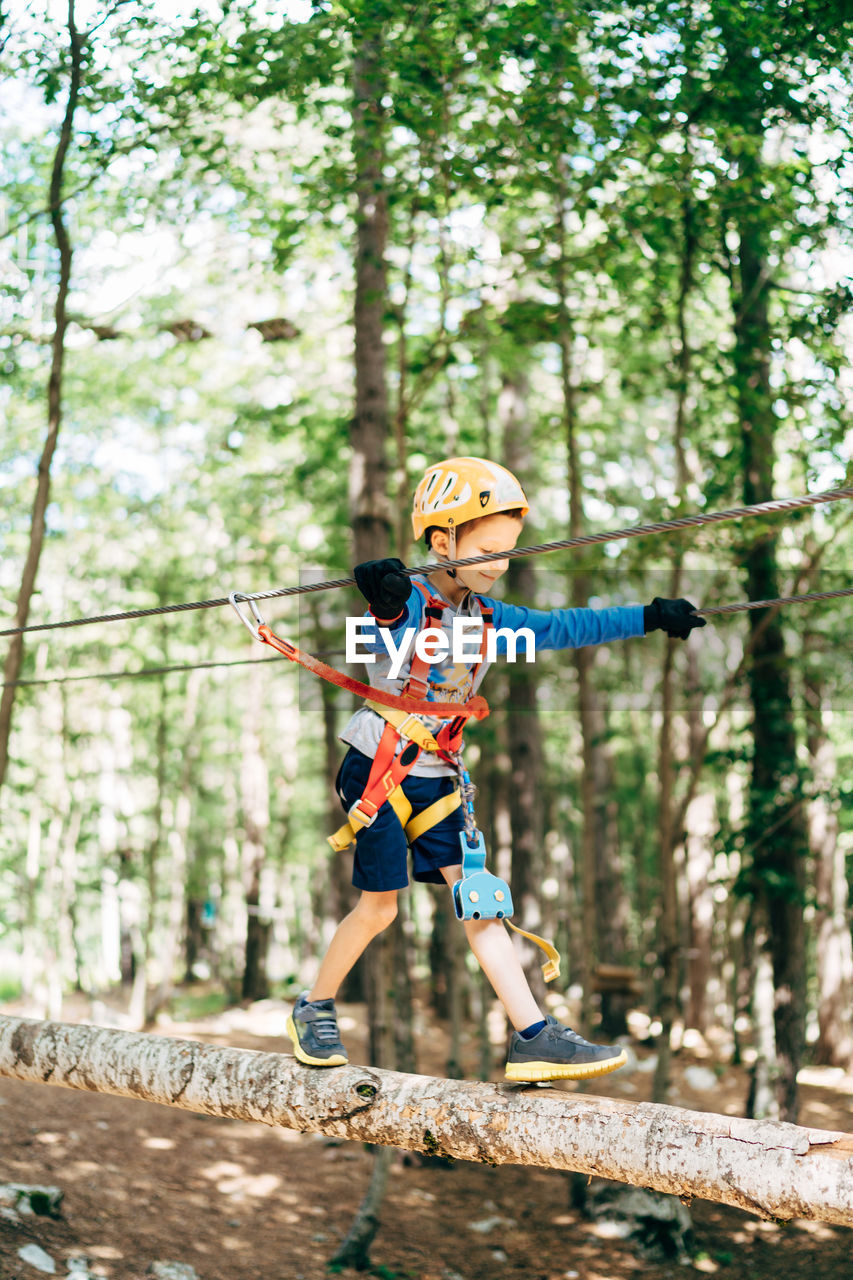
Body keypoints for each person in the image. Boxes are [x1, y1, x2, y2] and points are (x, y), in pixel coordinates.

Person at [287, 457, 705, 1081]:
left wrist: (648, 616)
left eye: (506, 554)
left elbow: (566, 626)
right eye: (485, 550)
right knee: (380, 909)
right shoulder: (406, 601)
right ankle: (314, 1007)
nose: (497, 565)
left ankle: (533, 1037)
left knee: (480, 903)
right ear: (440, 541)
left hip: (435, 775)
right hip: (377, 769)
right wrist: (380, 592)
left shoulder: (491, 619)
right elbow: (386, 622)